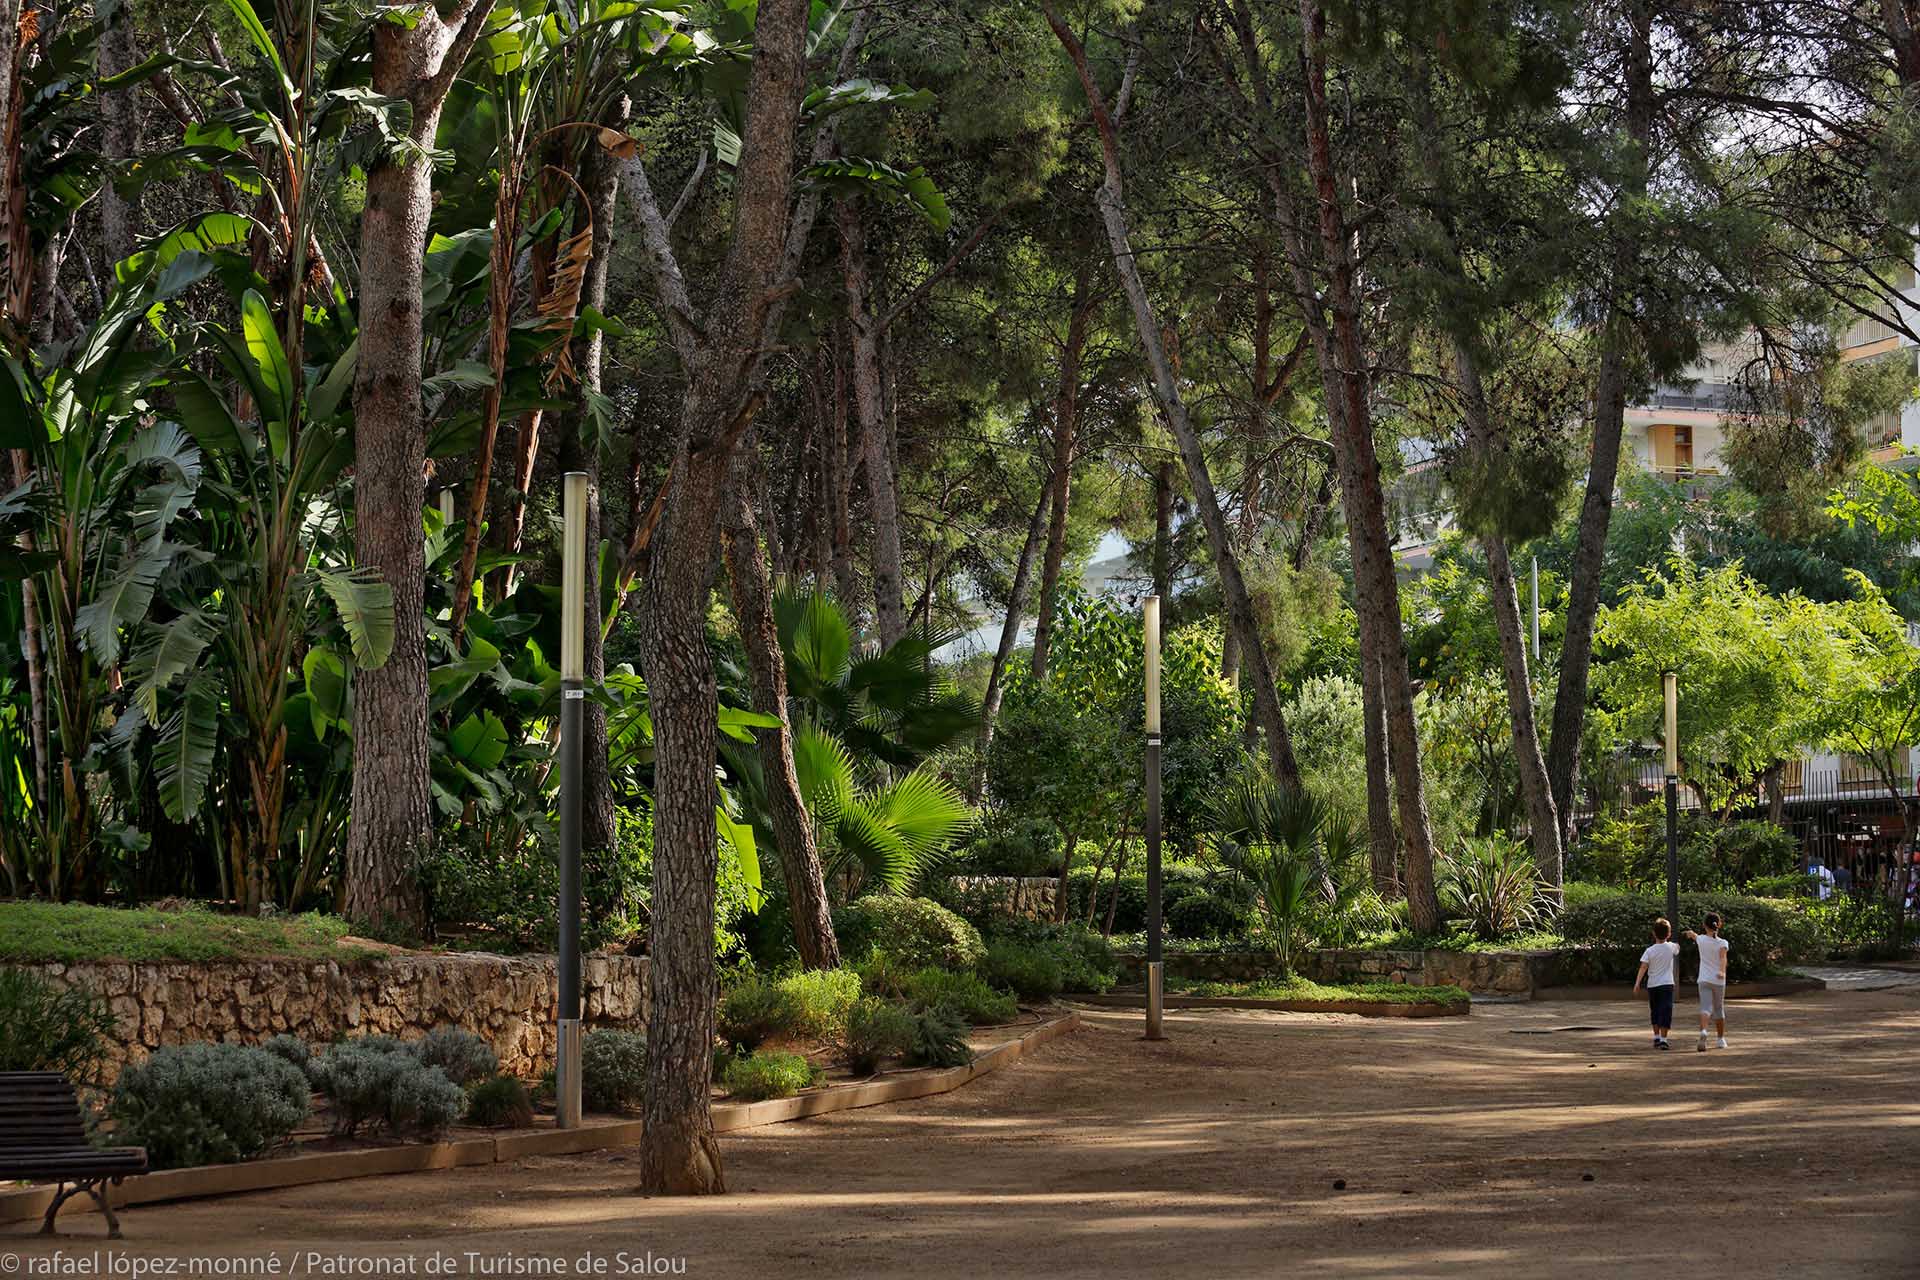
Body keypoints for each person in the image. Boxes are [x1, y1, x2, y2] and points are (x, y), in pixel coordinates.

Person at [1632, 917, 1681, 1050]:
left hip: (1653, 985)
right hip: (1667, 984)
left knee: (1655, 1011)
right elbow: (1677, 948)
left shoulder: (1649, 951)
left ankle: (1656, 1037)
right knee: (1666, 1011)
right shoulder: (1671, 947)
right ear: (1669, 934)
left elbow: (1643, 967)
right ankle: (1664, 1039)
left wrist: (1637, 983)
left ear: (1653, 933)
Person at [1684, 913, 1731, 1051]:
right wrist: (1721, 971)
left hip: (1704, 979)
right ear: (1719, 925)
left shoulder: (1701, 939)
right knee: (1718, 1009)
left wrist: (1690, 933)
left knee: (1705, 1008)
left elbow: (1694, 936)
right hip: (1718, 981)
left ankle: (1704, 1031)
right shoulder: (1723, 943)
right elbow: (1723, 958)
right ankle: (1720, 1039)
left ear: (1704, 925)